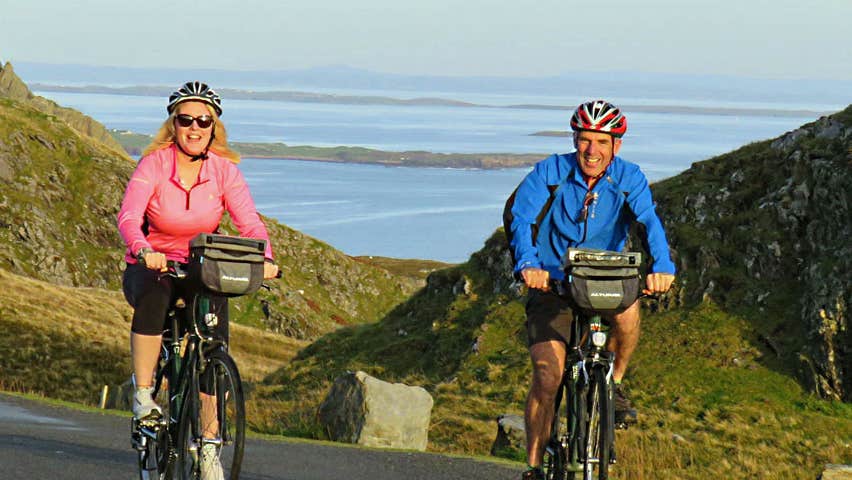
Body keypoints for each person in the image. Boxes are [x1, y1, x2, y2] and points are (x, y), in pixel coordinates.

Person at [117, 81, 279, 480]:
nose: (194, 127)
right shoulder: (154, 165)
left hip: (199, 268)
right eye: (185, 119)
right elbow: (128, 216)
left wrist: (266, 258)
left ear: (214, 127)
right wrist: (143, 249)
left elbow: (250, 222)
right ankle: (144, 396)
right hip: (153, 264)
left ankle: (209, 448)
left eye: (203, 121)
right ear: (173, 125)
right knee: (155, 297)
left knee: (212, 344)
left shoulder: (224, 172)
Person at [509, 100, 676, 480]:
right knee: (547, 375)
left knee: (628, 314)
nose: (591, 150)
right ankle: (533, 466)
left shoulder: (629, 177)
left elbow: (649, 221)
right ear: (574, 140)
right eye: (585, 140)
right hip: (553, 282)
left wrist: (662, 267)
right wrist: (529, 265)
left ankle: (614, 382)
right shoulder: (550, 172)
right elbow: (522, 219)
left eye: (601, 142)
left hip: (605, 277)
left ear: (616, 145)